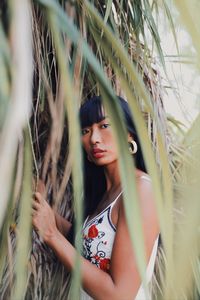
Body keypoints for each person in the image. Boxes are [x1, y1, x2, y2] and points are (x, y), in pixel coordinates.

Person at [32, 96, 159, 300]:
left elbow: (120, 295)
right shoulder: (107, 194)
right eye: (86, 131)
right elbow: (87, 244)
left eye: (104, 125)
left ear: (129, 134)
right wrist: (45, 210)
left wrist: (51, 234)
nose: (94, 138)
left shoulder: (141, 191)